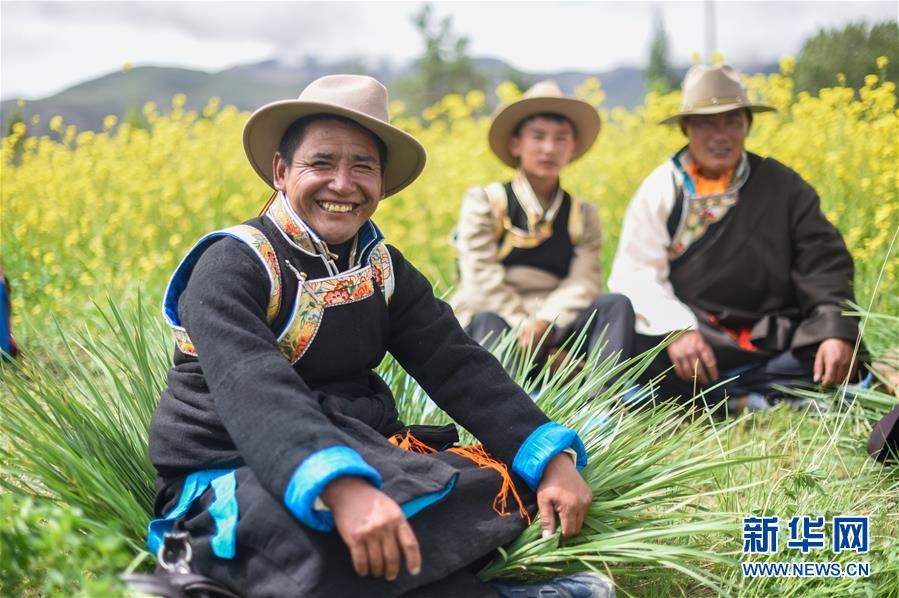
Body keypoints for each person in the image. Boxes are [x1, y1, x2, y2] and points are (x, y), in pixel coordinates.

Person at [145, 75, 614, 598]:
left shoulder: (381, 267)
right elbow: (252, 383)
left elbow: (455, 362)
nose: (343, 185)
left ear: (382, 183)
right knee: (314, 541)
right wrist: (341, 488)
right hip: (236, 465)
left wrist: (549, 459)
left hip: (359, 446)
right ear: (281, 171)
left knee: (501, 483)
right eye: (321, 163)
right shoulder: (232, 264)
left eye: (362, 166)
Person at [608, 64, 860, 411]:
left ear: (748, 124)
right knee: (633, 343)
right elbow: (636, 274)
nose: (720, 135)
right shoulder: (661, 189)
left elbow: (823, 262)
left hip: (769, 335)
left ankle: (728, 398)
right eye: (707, 123)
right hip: (697, 336)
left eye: (732, 121)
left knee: (831, 348)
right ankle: (754, 396)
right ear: (686, 127)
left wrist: (834, 329)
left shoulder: (782, 185)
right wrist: (676, 330)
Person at [451, 80, 635, 375]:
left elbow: (584, 282)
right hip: (500, 323)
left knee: (616, 305)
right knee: (487, 321)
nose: (549, 148)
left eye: (561, 138)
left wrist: (546, 324)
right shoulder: (486, 202)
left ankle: (601, 404)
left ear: (572, 146)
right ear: (516, 144)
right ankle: (507, 412)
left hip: (557, 324)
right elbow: (479, 280)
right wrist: (526, 327)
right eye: (537, 137)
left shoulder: (583, 214)